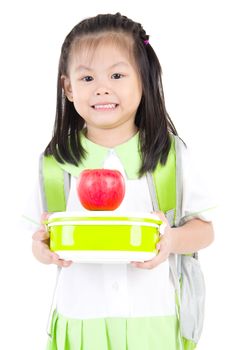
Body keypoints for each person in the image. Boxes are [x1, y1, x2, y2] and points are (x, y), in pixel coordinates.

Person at [25, 12, 214, 350]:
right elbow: (39, 240)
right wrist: (42, 249)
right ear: (67, 87)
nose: (102, 88)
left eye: (116, 74)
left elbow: (204, 231)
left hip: (154, 324)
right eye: (86, 79)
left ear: (143, 78)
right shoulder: (55, 164)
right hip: (80, 323)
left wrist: (170, 240)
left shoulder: (170, 156)